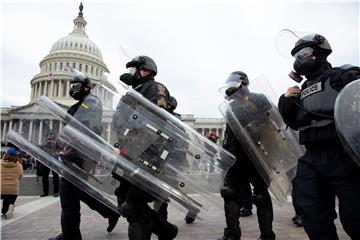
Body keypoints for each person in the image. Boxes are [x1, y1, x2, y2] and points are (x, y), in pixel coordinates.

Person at [278, 33, 360, 239]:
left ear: (321, 52)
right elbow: (294, 123)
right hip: (311, 158)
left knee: (355, 218)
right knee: (312, 216)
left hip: (343, 154)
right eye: (296, 55)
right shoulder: (300, 91)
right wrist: (286, 100)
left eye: (304, 53)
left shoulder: (343, 76)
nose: (299, 59)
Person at [49, 71, 120, 240]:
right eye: (72, 86)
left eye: (77, 86)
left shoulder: (91, 103)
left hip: (80, 156)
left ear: (87, 87)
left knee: (68, 195)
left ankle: (71, 236)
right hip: (75, 154)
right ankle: (110, 212)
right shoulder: (78, 106)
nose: (73, 89)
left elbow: (87, 130)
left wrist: (71, 149)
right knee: (80, 192)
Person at [117, 55, 178, 240]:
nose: (130, 74)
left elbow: (152, 122)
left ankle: (164, 230)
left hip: (145, 155)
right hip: (130, 153)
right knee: (125, 201)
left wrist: (131, 146)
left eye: (133, 70)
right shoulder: (135, 91)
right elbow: (121, 120)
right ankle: (165, 230)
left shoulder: (154, 88)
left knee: (132, 205)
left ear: (144, 70)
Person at [219, 71, 275, 240]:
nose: (230, 88)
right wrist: (225, 154)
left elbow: (272, 125)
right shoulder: (229, 105)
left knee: (260, 194)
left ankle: (267, 235)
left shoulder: (259, 98)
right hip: (236, 155)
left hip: (256, 154)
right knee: (229, 192)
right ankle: (232, 234)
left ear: (243, 83)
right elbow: (230, 133)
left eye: (233, 84)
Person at [1, 148, 23, 219]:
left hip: (1, 188)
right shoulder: (19, 165)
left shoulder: (0, 164)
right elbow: (20, 176)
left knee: (5, 196)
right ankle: (11, 205)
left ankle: (4, 211)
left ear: (6, 155)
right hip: (13, 189)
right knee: (10, 198)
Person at [39, 130, 60, 197]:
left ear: (54, 135)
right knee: (44, 177)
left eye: (51, 134)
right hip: (46, 161)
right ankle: (45, 192)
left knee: (55, 177)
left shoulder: (57, 142)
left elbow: (60, 149)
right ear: (47, 136)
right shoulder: (45, 142)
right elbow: (41, 148)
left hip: (54, 161)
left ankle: (56, 192)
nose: (50, 135)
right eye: (49, 134)